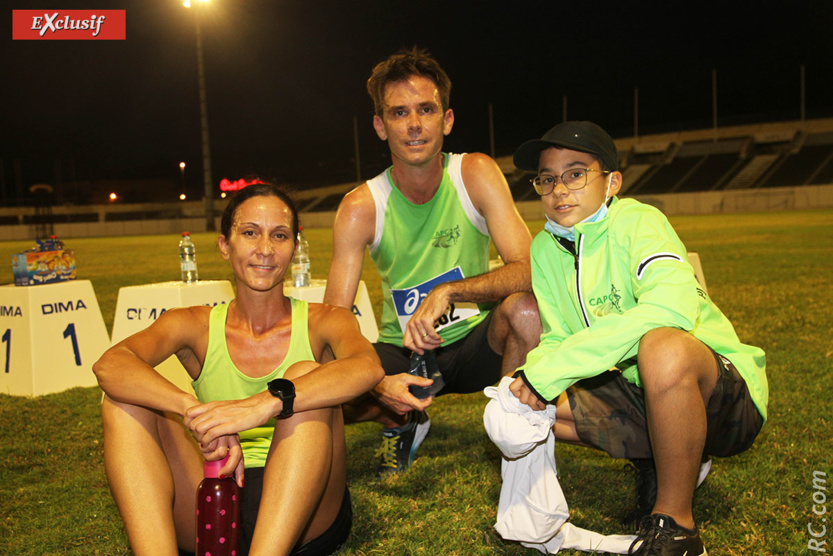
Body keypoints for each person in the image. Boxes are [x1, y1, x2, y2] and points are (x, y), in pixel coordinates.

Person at [508, 121, 768, 556]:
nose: (559, 189)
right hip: (642, 391)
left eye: (575, 174)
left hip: (722, 394)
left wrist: (550, 372)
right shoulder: (544, 248)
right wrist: (527, 380)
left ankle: (676, 529)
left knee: (660, 346)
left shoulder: (640, 221)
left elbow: (673, 308)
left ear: (612, 182)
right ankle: (661, 458)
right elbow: (557, 338)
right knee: (530, 404)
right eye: (547, 178)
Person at [93, 183, 384, 556]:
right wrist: (196, 412)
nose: (265, 249)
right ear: (224, 245)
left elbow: (367, 367)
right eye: (250, 233)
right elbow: (111, 364)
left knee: (303, 376)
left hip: (306, 505)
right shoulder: (194, 324)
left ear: (294, 248)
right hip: (216, 486)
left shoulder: (324, 320)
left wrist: (263, 404)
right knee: (123, 400)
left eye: (279, 235)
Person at [323, 47, 541, 475]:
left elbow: (530, 268)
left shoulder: (474, 173)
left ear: (447, 119)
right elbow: (330, 318)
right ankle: (400, 417)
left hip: (479, 342)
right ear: (380, 126)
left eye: (426, 109)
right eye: (399, 113)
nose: (415, 125)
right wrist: (377, 382)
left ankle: (512, 434)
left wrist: (450, 291)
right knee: (326, 373)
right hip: (403, 353)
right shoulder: (360, 206)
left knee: (526, 311)